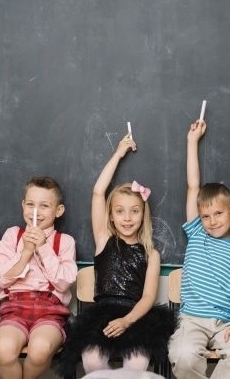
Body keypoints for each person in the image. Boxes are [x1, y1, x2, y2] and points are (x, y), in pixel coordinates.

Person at [55, 133, 175, 378]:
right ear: (111, 215)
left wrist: (127, 321)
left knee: (139, 363)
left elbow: (149, 296)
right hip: (102, 313)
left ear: (143, 215)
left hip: (136, 316)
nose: (127, 218)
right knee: (91, 360)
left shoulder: (151, 254)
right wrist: (119, 153)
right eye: (120, 211)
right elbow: (99, 193)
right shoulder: (104, 240)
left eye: (134, 211)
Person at [168, 119, 230, 379]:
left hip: (226, 323)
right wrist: (191, 142)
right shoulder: (197, 233)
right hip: (192, 320)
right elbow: (193, 186)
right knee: (183, 356)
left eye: (218, 213)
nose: (212, 221)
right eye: (206, 216)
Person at [0, 176, 78, 379]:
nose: (35, 211)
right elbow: (0, 278)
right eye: (30, 204)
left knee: (40, 350)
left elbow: (64, 282)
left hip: (50, 312)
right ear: (23, 205)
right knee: (4, 349)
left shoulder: (64, 242)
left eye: (44, 206)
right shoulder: (12, 235)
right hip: (14, 310)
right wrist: (26, 253)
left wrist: (43, 248)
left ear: (58, 211)